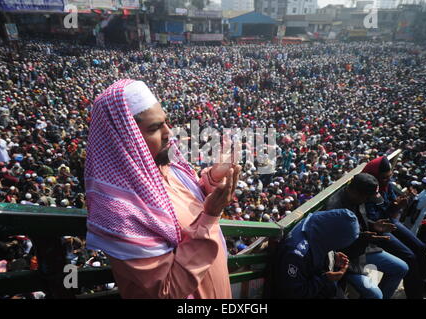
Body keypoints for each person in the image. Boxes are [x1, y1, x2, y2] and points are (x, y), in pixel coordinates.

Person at [85, 79, 241, 299]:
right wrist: (210, 217)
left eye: (166, 122)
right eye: (155, 128)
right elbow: (165, 293)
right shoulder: (121, 212)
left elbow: (188, 202)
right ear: (126, 139)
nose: (169, 133)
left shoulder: (168, 167)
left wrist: (213, 180)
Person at [363, 156, 426, 299]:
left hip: (389, 220)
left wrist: (397, 205)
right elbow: (374, 220)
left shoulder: (386, 185)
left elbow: (391, 204)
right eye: (384, 178)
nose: (387, 180)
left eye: (389, 177)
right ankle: (415, 293)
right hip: (377, 229)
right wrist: (393, 208)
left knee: (420, 246)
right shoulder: (367, 189)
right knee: (409, 256)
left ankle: (425, 282)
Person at [325, 173, 409, 299]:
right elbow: (335, 247)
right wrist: (362, 239)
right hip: (348, 260)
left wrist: (374, 225)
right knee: (376, 295)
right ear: (357, 193)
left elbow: (361, 220)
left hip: (364, 249)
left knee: (402, 267)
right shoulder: (335, 208)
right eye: (366, 197)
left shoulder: (357, 198)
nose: (367, 201)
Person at [273, 209, 359, 299]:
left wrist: (332, 255)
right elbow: (294, 293)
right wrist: (325, 278)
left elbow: (320, 243)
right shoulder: (297, 255)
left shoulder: (315, 224)